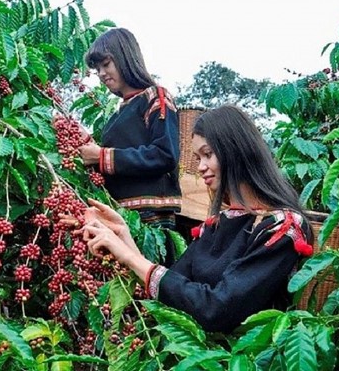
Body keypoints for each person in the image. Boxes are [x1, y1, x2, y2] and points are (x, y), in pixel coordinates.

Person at [78, 105, 315, 333]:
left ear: (236, 150)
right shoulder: (218, 224)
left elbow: (217, 309)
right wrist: (124, 237)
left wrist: (128, 255)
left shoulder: (281, 228)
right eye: (197, 157)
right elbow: (177, 289)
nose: (201, 167)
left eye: (208, 154)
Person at [78, 27, 182, 265]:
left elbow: (166, 154)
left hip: (150, 221)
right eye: (97, 69)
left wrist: (101, 157)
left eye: (106, 64)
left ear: (125, 57)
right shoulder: (118, 114)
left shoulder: (156, 97)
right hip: (120, 217)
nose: (102, 73)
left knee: (149, 287)